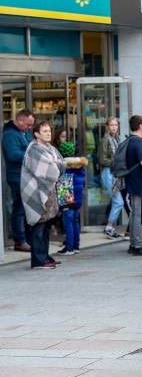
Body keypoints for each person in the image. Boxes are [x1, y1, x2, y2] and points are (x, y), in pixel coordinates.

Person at [20, 121, 67, 269]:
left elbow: (63, 164)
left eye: (49, 131)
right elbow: (52, 172)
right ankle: (38, 260)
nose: (48, 133)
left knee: (46, 226)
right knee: (39, 227)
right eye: (45, 131)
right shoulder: (34, 149)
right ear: (36, 134)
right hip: (37, 194)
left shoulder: (50, 148)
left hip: (48, 194)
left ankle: (45, 257)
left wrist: (56, 163)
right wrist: (56, 163)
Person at [2, 108, 35, 252]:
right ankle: (19, 240)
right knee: (19, 209)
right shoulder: (10, 135)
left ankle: (27, 238)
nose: (30, 127)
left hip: (27, 176)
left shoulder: (25, 133)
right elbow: (13, 155)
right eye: (28, 124)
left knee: (26, 209)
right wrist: (32, 154)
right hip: (17, 177)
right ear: (19, 120)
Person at [123, 115, 142, 256]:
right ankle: (138, 244)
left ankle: (134, 244)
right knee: (139, 214)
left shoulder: (130, 141)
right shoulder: (139, 143)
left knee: (135, 214)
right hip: (139, 183)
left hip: (133, 182)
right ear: (141, 126)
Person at [56, 141, 87, 256]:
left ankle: (69, 247)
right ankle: (76, 246)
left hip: (66, 193)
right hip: (78, 196)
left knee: (67, 221)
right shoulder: (80, 165)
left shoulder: (63, 165)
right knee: (75, 220)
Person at [98, 117, 125, 239]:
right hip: (108, 172)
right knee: (118, 201)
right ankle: (109, 227)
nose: (114, 127)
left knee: (115, 201)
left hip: (116, 173)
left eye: (116, 125)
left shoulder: (118, 139)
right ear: (107, 126)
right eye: (112, 125)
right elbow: (102, 160)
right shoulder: (105, 140)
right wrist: (117, 162)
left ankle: (111, 228)